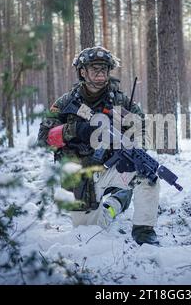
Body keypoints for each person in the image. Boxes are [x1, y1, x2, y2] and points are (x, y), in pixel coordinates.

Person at [37, 46, 160, 245]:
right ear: (82, 71)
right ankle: (117, 202)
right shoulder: (66, 102)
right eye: (94, 68)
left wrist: (133, 143)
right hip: (79, 175)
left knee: (148, 175)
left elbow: (143, 129)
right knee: (89, 231)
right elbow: (43, 139)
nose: (100, 73)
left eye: (104, 68)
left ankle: (144, 232)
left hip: (111, 168)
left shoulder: (120, 102)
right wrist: (75, 130)